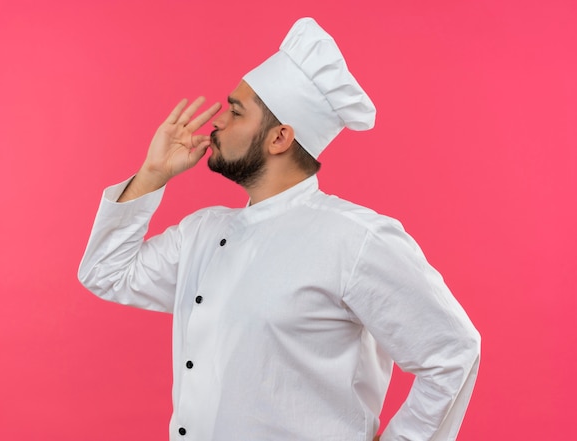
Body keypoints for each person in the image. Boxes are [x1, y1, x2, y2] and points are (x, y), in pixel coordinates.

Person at [79, 17, 480, 441]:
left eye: (235, 112)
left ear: (279, 138)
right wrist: (152, 174)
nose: (217, 122)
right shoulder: (202, 233)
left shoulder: (355, 239)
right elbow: (106, 273)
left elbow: (452, 351)